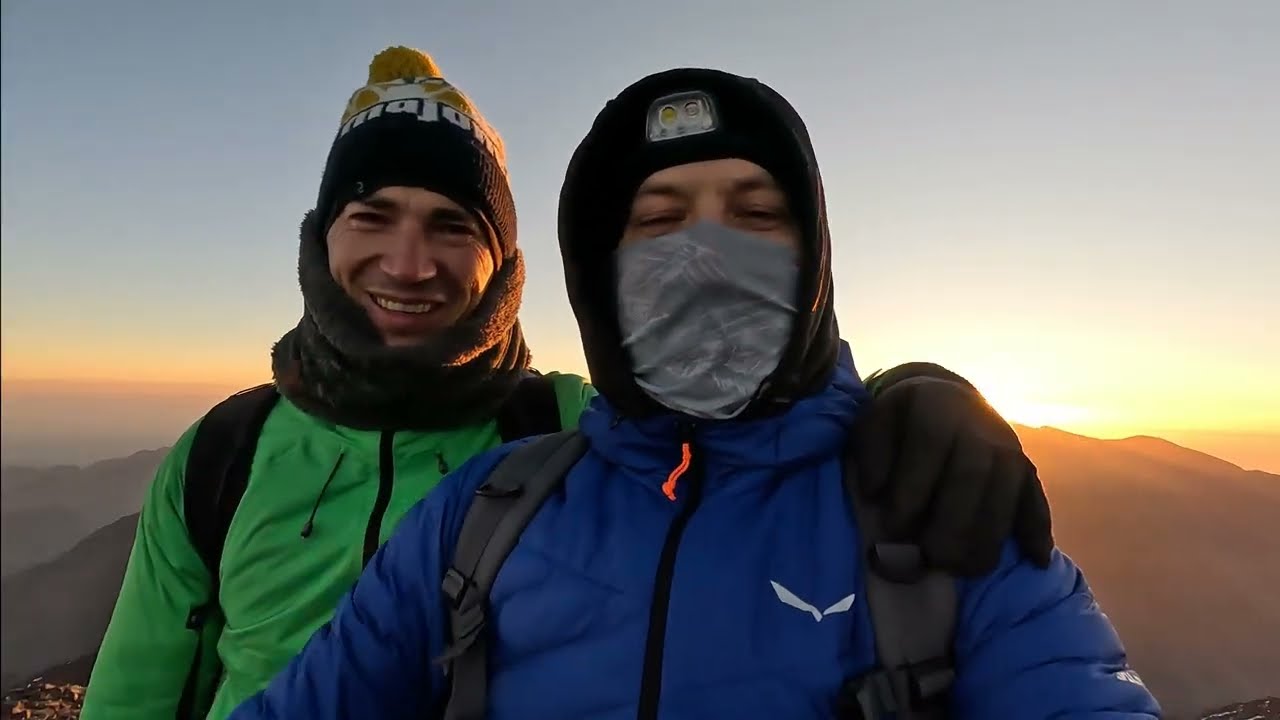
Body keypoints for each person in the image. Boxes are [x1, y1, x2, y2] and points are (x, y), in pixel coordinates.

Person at [83, 46, 1055, 720]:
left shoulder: (564, 435)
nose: (408, 262)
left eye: (452, 226)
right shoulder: (225, 455)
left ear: (503, 261)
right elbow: (137, 695)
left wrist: (913, 393)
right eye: (372, 216)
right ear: (321, 240)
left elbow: (738, 426)